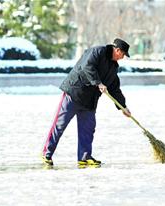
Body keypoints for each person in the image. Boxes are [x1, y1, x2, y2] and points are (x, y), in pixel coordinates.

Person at [42, 38, 131, 167]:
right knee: (60, 125)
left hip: (90, 100)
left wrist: (123, 107)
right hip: (74, 93)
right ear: (117, 50)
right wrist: (98, 82)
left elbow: (114, 89)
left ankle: (84, 157)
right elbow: (87, 66)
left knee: (88, 129)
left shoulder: (113, 67)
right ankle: (47, 153)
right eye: (123, 54)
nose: (123, 57)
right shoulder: (97, 52)